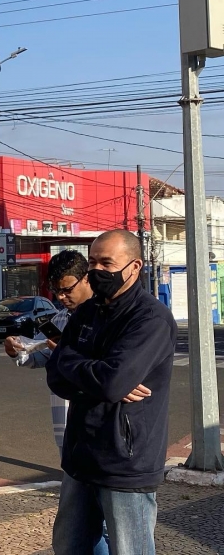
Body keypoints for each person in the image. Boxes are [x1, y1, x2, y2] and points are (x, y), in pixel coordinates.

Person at [46, 230, 178, 555]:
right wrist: (92, 370)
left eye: (107, 262)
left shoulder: (150, 318)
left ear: (134, 267)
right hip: (81, 456)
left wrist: (76, 365)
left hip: (125, 463)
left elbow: (112, 382)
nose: (97, 270)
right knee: (68, 546)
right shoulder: (87, 313)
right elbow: (56, 376)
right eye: (92, 262)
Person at [3, 250, 109, 555]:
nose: (62, 297)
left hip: (105, 437)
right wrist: (16, 351)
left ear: (86, 278)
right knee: (76, 530)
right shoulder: (60, 319)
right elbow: (37, 355)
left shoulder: (107, 315)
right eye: (56, 291)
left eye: (68, 289)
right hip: (69, 437)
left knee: (113, 524)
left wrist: (66, 352)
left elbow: (109, 371)